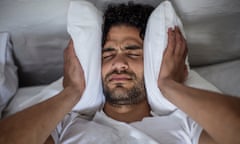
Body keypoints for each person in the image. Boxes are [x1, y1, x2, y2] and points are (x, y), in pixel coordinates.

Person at [0, 2, 240, 144]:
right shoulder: (66, 125)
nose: (119, 62)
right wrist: (71, 91)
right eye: (107, 54)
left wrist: (169, 85)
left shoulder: (184, 125)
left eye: (133, 52)